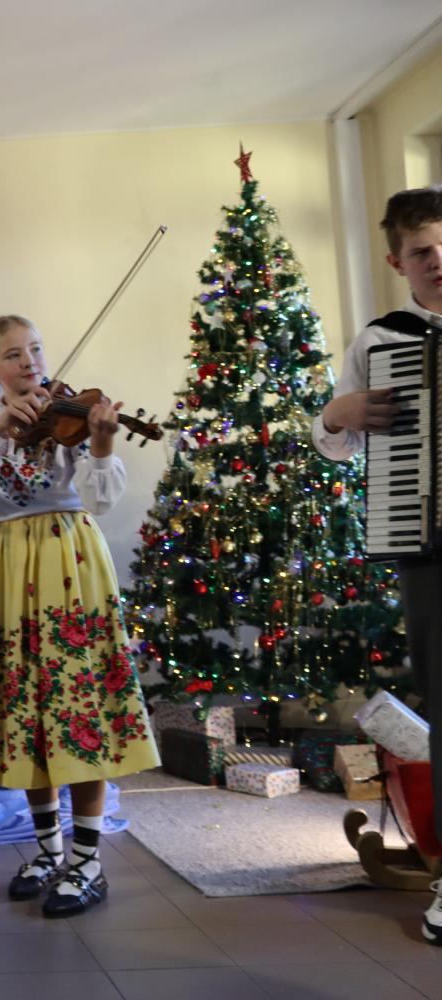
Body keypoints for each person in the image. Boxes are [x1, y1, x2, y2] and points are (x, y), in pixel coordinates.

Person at [0, 315, 158, 917]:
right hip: (6, 563)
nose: (29, 362)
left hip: (68, 557)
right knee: (26, 708)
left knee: (75, 704)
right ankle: (47, 851)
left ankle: (87, 862)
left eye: (34, 350)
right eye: (14, 354)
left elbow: (99, 500)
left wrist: (102, 444)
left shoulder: (73, 416)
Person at [313, 184, 442, 945]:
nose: (438, 260)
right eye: (422, 251)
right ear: (399, 262)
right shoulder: (382, 339)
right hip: (429, 547)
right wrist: (337, 414)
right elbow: (334, 441)